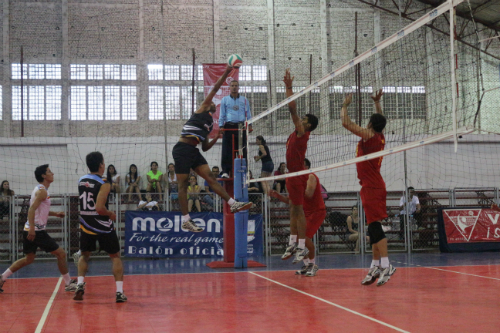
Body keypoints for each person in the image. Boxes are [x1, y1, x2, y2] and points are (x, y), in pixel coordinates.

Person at [172, 64, 252, 232]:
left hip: (194, 151)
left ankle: (233, 203)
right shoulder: (202, 108)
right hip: (181, 149)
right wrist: (226, 72)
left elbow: (206, 147)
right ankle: (186, 219)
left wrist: (217, 136)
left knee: (211, 179)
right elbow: (216, 87)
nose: (215, 104)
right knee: (183, 184)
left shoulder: (208, 124)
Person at [341, 89, 396, 286]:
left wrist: (345, 105)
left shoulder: (369, 136)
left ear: (371, 124)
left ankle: (387, 265)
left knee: (374, 227)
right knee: (373, 228)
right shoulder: (379, 137)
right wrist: (377, 103)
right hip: (373, 185)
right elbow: (380, 122)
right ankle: (375, 266)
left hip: (372, 187)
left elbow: (345, 123)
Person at [0, 165, 76, 293]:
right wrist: (32, 230)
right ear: (43, 176)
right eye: (49, 172)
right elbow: (31, 210)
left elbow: (41, 210)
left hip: (30, 229)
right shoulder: (42, 191)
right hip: (37, 231)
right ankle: (68, 283)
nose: (53, 173)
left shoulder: (41, 190)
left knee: (29, 259)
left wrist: (56, 214)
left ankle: (2, 277)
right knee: (61, 254)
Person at [74, 151, 127, 303]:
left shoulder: (81, 180)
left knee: (84, 256)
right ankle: (119, 292)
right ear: (101, 165)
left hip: (85, 224)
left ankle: (79, 285)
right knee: (115, 256)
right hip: (102, 225)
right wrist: (110, 213)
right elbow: (99, 208)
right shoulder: (104, 183)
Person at [280, 69, 319, 264]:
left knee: (299, 209)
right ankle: (293, 242)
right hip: (291, 174)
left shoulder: (302, 132)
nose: (301, 120)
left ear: (308, 125)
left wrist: (289, 88)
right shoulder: (297, 134)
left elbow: (292, 110)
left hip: (297, 174)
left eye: (305, 120)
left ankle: (302, 246)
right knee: (294, 210)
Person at [270, 158, 326, 277]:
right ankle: (306, 265)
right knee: (298, 239)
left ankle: (313, 265)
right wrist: (277, 195)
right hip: (304, 212)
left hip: (317, 211)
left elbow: (309, 195)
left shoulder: (310, 176)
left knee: (305, 237)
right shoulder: (296, 180)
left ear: (305, 167)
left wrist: (297, 188)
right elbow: (291, 202)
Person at [219, 79, 252, 177]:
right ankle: (226, 171)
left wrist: (249, 125)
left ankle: (244, 171)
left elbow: (248, 113)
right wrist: (221, 126)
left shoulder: (244, 100)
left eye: (236, 85)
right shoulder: (224, 100)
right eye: (232, 85)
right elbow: (222, 114)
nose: (234, 87)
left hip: (241, 127)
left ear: (238, 88)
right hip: (229, 127)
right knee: (227, 149)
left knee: (243, 149)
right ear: (229, 88)